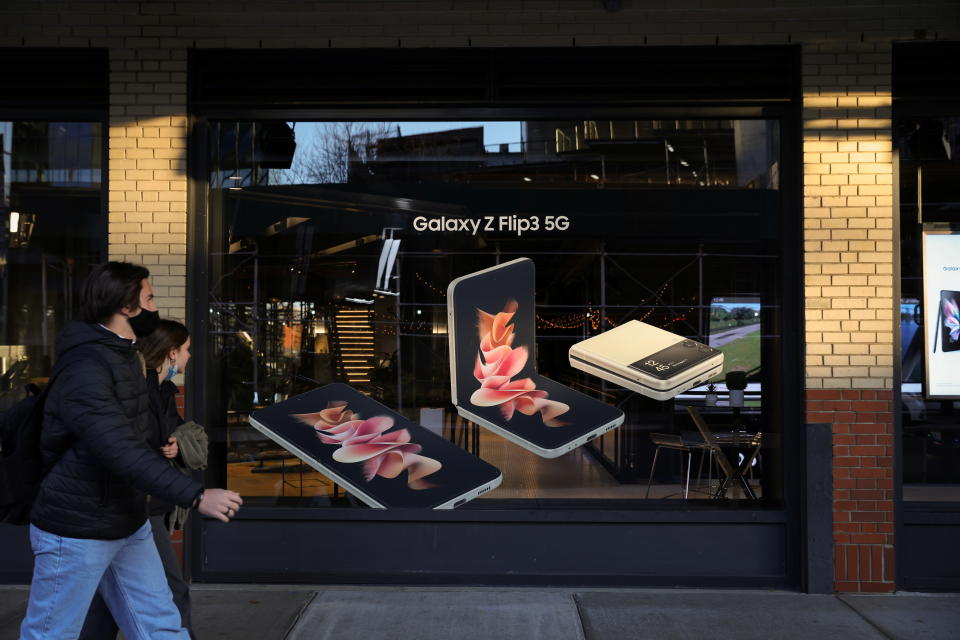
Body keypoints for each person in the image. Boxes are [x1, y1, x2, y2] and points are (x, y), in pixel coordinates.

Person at [19, 262, 242, 640]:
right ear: (127, 306)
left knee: (160, 624)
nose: (155, 307)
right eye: (150, 297)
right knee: (51, 633)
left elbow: (137, 442)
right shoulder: (86, 367)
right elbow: (118, 448)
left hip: (127, 518)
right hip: (78, 526)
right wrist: (195, 494)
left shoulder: (125, 356)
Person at [79, 319, 203, 640]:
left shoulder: (163, 390)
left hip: (146, 505)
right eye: (187, 350)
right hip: (136, 507)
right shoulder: (138, 391)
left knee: (108, 601)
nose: (190, 357)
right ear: (172, 353)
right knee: (172, 590)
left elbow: (167, 434)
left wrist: (176, 446)